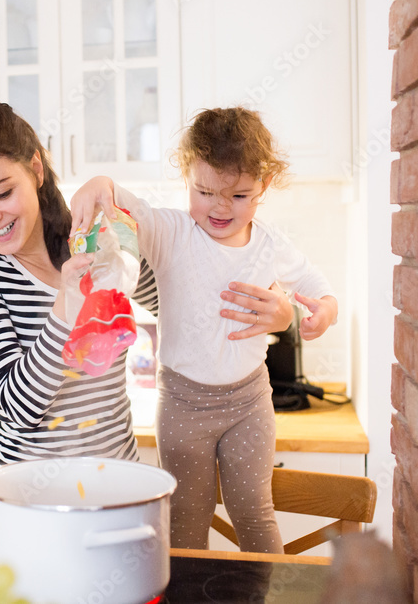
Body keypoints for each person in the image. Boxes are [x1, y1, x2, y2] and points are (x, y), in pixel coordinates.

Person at [0, 97, 294, 538]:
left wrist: (281, 313)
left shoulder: (89, 238)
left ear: (36, 170)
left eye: (2, 192)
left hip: (117, 497)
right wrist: (68, 305)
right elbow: (20, 406)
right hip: (27, 509)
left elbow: (181, 305)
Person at [71, 106, 338, 553]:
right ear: (187, 177)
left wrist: (321, 312)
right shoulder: (172, 232)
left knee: (254, 511)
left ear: (263, 187)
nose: (219, 207)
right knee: (187, 519)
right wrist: (102, 184)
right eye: (205, 190)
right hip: (183, 405)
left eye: (238, 196)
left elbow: (317, 287)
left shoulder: (272, 245)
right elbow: (125, 204)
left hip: (250, 403)